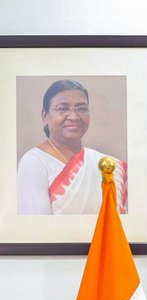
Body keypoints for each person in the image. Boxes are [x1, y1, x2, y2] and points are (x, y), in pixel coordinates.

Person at [17, 79, 127, 215]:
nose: (74, 117)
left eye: (82, 109)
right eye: (63, 109)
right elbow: (38, 225)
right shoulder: (34, 162)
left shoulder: (107, 165)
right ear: (45, 116)